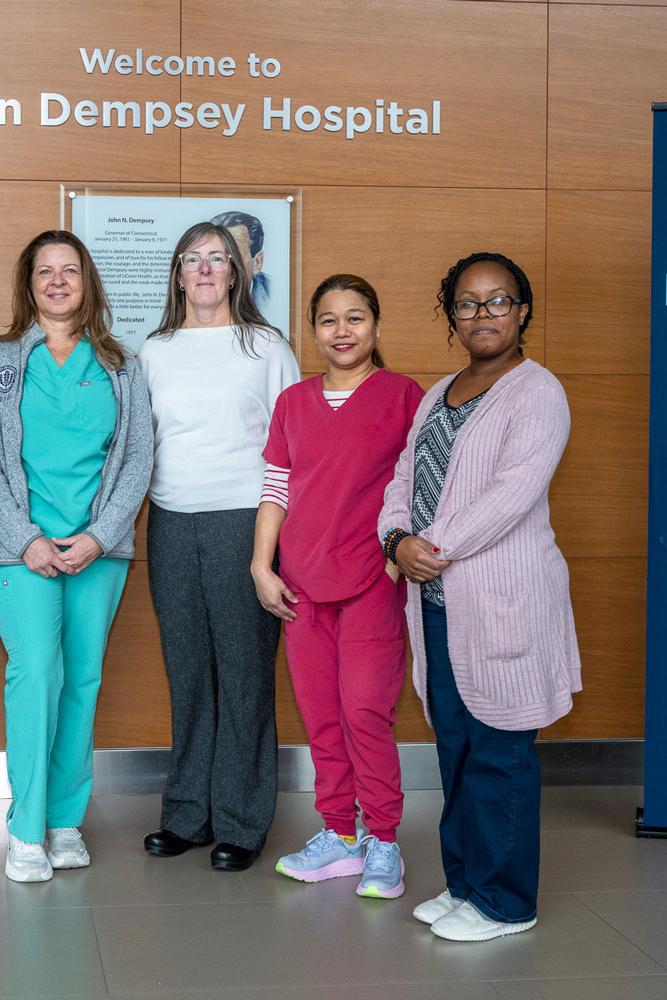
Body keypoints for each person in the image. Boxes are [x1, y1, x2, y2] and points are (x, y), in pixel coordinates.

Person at [377, 251, 582, 942]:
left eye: (498, 301)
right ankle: (465, 885)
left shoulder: (538, 392)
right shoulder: (440, 393)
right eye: (468, 303)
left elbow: (513, 495)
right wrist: (394, 538)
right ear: (452, 316)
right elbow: (402, 477)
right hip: (437, 603)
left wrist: (427, 547)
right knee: (457, 748)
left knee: (501, 750)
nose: (483, 314)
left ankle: (505, 903)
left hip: (502, 598)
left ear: (523, 310)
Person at [0, 230, 152, 883]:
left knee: (82, 680)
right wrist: (26, 538)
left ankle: (66, 822)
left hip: (99, 550)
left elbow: (137, 460)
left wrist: (100, 534)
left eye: (69, 270)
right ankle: (25, 830)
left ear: (87, 281)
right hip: (22, 550)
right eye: (44, 271)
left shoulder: (121, 365)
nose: (57, 281)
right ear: (30, 284)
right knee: (37, 674)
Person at [252, 275, 423, 898]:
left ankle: (383, 840)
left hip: (371, 583)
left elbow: (424, 486)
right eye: (328, 320)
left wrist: (400, 554)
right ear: (313, 330)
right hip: (300, 587)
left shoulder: (405, 397)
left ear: (377, 326)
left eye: (355, 318)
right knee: (322, 715)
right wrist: (260, 566)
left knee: (365, 713)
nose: (342, 331)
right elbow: (277, 488)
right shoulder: (294, 402)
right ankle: (339, 835)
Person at [139, 221, 300, 872]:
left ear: (238, 272)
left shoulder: (266, 348)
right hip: (172, 521)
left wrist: (273, 545)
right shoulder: (153, 350)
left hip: (245, 524)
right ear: (177, 275)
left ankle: (240, 819)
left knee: (243, 677)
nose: (205, 269)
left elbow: (289, 453)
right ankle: (186, 814)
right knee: (188, 675)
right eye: (192, 259)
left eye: (217, 258)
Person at [210, 209, 270, 304]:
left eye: (236, 257)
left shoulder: (275, 293)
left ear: (257, 263)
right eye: (216, 258)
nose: (223, 269)